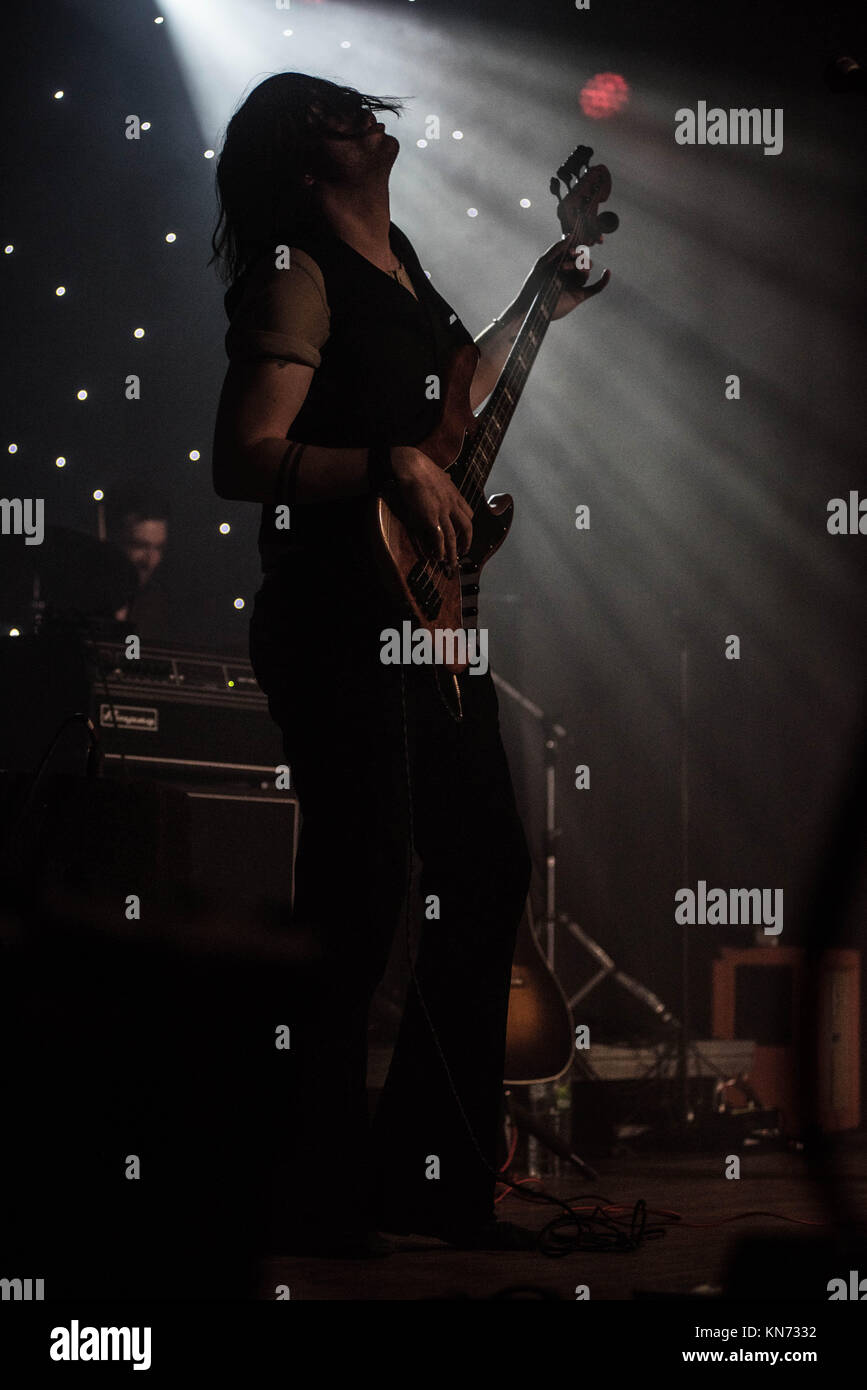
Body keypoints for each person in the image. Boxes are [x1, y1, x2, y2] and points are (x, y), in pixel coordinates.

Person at [209, 72, 608, 1257]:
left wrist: (546, 281)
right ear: (304, 161)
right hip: (336, 619)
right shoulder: (294, 273)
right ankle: (312, 1189)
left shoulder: (404, 260)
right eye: (338, 113)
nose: (366, 117)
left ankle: (429, 1177)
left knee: (482, 870)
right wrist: (385, 465)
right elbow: (244, 457)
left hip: (425, 614)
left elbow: (454, 404)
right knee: (360, 892)